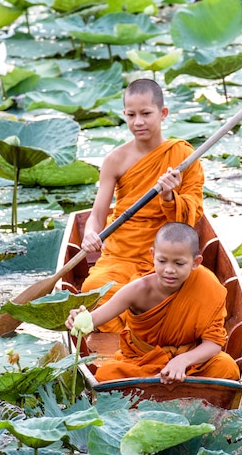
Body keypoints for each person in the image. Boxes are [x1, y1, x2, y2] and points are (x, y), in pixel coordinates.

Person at [79, 78, 204, 332]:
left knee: (180, 291)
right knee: (92, 289)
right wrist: (91, 233)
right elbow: (98, 213)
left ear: (163, 113)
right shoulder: (115, 160)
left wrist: (170, 197)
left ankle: (137, 317)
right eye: (131, 115)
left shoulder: (183, 156)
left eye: (146, 113)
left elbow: (193, 215)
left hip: (165, 254)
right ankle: (141, 326)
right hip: (121, 254)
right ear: (124, 114)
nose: (138, 122)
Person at [66, 222, 240, 384]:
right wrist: (78, 319)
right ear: (152, 256)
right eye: (162, 261)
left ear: (195, 263)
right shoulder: (138, 289)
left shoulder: (208, 286)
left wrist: (182, 361)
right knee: (106, 376)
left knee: (226, 368)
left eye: (179, 263)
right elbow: (93, 319)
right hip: (143, 363)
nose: (169, 270)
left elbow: (214, 343)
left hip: (189, 363)